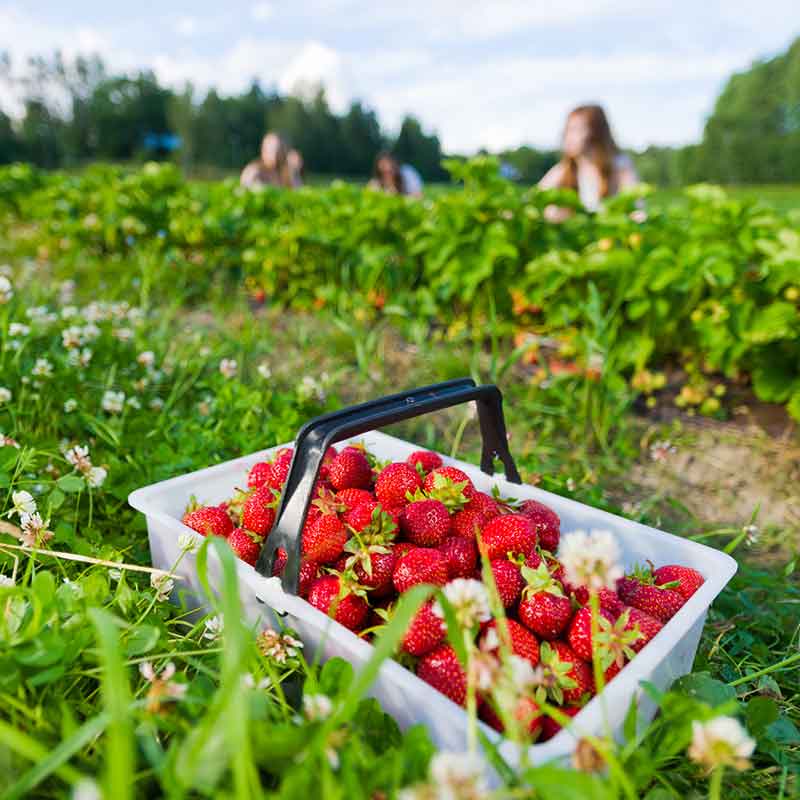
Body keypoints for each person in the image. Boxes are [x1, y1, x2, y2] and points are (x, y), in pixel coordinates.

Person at [538, 105, 638, 221]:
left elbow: (636, 208)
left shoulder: (620, 165)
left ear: (596, 133)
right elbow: (534, 198)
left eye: (576, 130)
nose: (567, 136)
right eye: (568, 129)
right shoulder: (564, 169)